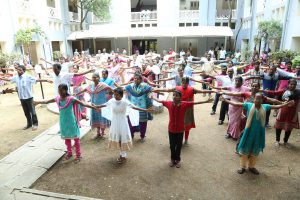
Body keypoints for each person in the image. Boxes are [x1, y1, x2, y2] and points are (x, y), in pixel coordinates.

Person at [221, 93, 292, 175]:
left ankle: (251, 167)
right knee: (245, 149)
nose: (257, 100)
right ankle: (242, 167)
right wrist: (226, 100)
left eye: (259, 99)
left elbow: (277, 107)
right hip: (248, 132)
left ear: (262, 100)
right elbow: (236, 103)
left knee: (255, 149)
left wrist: (286, 104)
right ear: (253, 99)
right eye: (256, 98)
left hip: (259, 133)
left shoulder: (265, 106)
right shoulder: (248, 105)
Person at [34, 84, 98, 162]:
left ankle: (78, 155)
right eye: (59, 90)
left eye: (61, 90)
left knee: (76, 139)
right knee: (67, 138)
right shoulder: (57, 98)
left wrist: (94, 107)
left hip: (71, 121)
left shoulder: (71, 99)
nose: (60, 92)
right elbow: (46, 101)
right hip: (63, 121)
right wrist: (37, 102)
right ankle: (69, 153)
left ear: (65, 90)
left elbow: (83, 104)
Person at [151, 90, 212, 168]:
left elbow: (195, 103)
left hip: (180, 129)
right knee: (172, 146)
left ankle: (178, 160)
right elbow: (160, 100)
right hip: (171, 129)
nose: (174, 97)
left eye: (176, 95)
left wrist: (206, 101)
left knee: (179, 145)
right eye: (173, 95)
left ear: (180, 97)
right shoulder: (169, 103)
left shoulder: (184, 104)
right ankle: (172, 159)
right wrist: (153, 97)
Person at [95, 88, 152, 164]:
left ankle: (123, 155)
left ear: (121, 95)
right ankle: (122, 154)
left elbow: (134, 107)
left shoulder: (125, 102)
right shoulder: (112, 100)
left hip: (122, 122)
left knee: (123, 138)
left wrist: (145, 110)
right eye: (114, 94)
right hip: (115, 122)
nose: (115, 96)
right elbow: (105, 104)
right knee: (118, 138)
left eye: (117, 94)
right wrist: (96, 106)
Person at [155, 77, 215, 145]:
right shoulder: (177, 88)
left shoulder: (192, 89)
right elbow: (167, 89)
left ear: (188, 83)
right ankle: (176, 140)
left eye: (186, 83)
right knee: (176, 123)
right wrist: (157, 89)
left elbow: (202, 91)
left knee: (187, 125)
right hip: (177, 108)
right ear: (181, 82)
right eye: (183, 83)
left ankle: (186, 140)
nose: (184, 84)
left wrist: (213, 91)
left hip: (188, 110)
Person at [0, 65, 45, 130]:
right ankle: (29, 124)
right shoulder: (16, 77)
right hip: (21, 98)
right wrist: (2, 78)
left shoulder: (28, 77)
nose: (18, 71)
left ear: (24, 71)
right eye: (17, 70)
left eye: (20, 70)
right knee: (26, 112)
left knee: (32, 112)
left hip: (29, 97)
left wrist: (46, 80)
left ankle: (35, 124)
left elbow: (37, 80)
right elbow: (9, 79)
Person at [77, 73, 113, 138]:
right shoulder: (91, 86)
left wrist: (109, 96)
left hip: (102, 104)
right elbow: (85, 90)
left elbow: (111, 89)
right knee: (96, 117)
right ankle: (98, 132)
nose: (94, 78)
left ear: (99, 78)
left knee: (102, 117)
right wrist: (77, 93)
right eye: (93, 77)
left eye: (96, 77)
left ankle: (102, 132)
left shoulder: (103, 85)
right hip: (93, 105)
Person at [125, 73, 155, 142]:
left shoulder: (145, 87)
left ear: (141, 80)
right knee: (131, 122)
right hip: (133, 108)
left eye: (138, 79)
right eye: (135, 78)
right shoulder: (130, 86)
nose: (136, 80)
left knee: (143, 123)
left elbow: (153, 90)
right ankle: (131, 135)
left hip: (143, 108)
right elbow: (123, 90)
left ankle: (142, 136)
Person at [273, 79, 300, 147]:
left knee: (289, 127)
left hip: (293, 113)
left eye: (294, 84)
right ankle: (277, 140)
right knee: (279, 126)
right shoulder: (284, 91)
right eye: (291, 84)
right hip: (283, 111)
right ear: (288, 84)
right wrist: (264, 91)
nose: (292, 85)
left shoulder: (298, 92)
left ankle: (285, 141)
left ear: (296, 85)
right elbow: (275, 93)